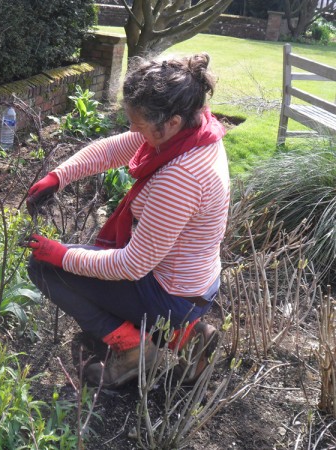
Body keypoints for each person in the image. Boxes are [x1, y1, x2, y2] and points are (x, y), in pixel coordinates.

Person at [24, 53, 229, 389]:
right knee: (88, 266)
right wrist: (59, 176)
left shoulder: (182, 176)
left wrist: (60, 255)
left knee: (45, 270)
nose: (134, 130)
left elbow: (131, 266)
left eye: (140, 124)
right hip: (194, 285)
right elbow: (110, 151)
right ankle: (187, 335)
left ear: (172, 121)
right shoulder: (192, 132)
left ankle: (136, 349)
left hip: (172, 294)